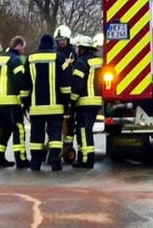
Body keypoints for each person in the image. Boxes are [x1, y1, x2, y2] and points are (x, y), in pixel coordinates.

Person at [25, 34, 68, 171]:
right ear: (52, 44)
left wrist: (25, 103)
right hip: (55, 106)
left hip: (36, 106)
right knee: (55, 135)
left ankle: (35, 163)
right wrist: (67, 103)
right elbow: (65, 84)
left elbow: (25, 85)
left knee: (36, 135)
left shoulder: (30, 58)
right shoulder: (59, 57)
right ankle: (55, 162)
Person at [0, 35, 29, 168]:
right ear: (18, 46)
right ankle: (21, 159)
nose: (23, 50)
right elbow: (20, 81)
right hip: (11, 101)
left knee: (4, 130)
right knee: (18, 128)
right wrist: (25, 99)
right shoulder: (15, 60)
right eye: (23, 47)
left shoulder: (0, 59)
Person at [70, 35, 103, 169]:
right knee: (87, 129)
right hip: (96, 101)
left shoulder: (81, 62)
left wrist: (71, 100)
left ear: (82, 49)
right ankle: (85, 157)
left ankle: (86, 159)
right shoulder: (99, 61)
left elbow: (77, 83)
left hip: (84, 101)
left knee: (83, 130)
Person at [53, 24, 76, 161]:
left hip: (71, 91)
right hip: (57, 92)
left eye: (63, 40)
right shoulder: (55, 53)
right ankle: (55, 145)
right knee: (56, 122)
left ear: (68, 39)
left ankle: (68, 145)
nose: (61, 42)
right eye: (59, 40)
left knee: (70, 121)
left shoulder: (73, 53)